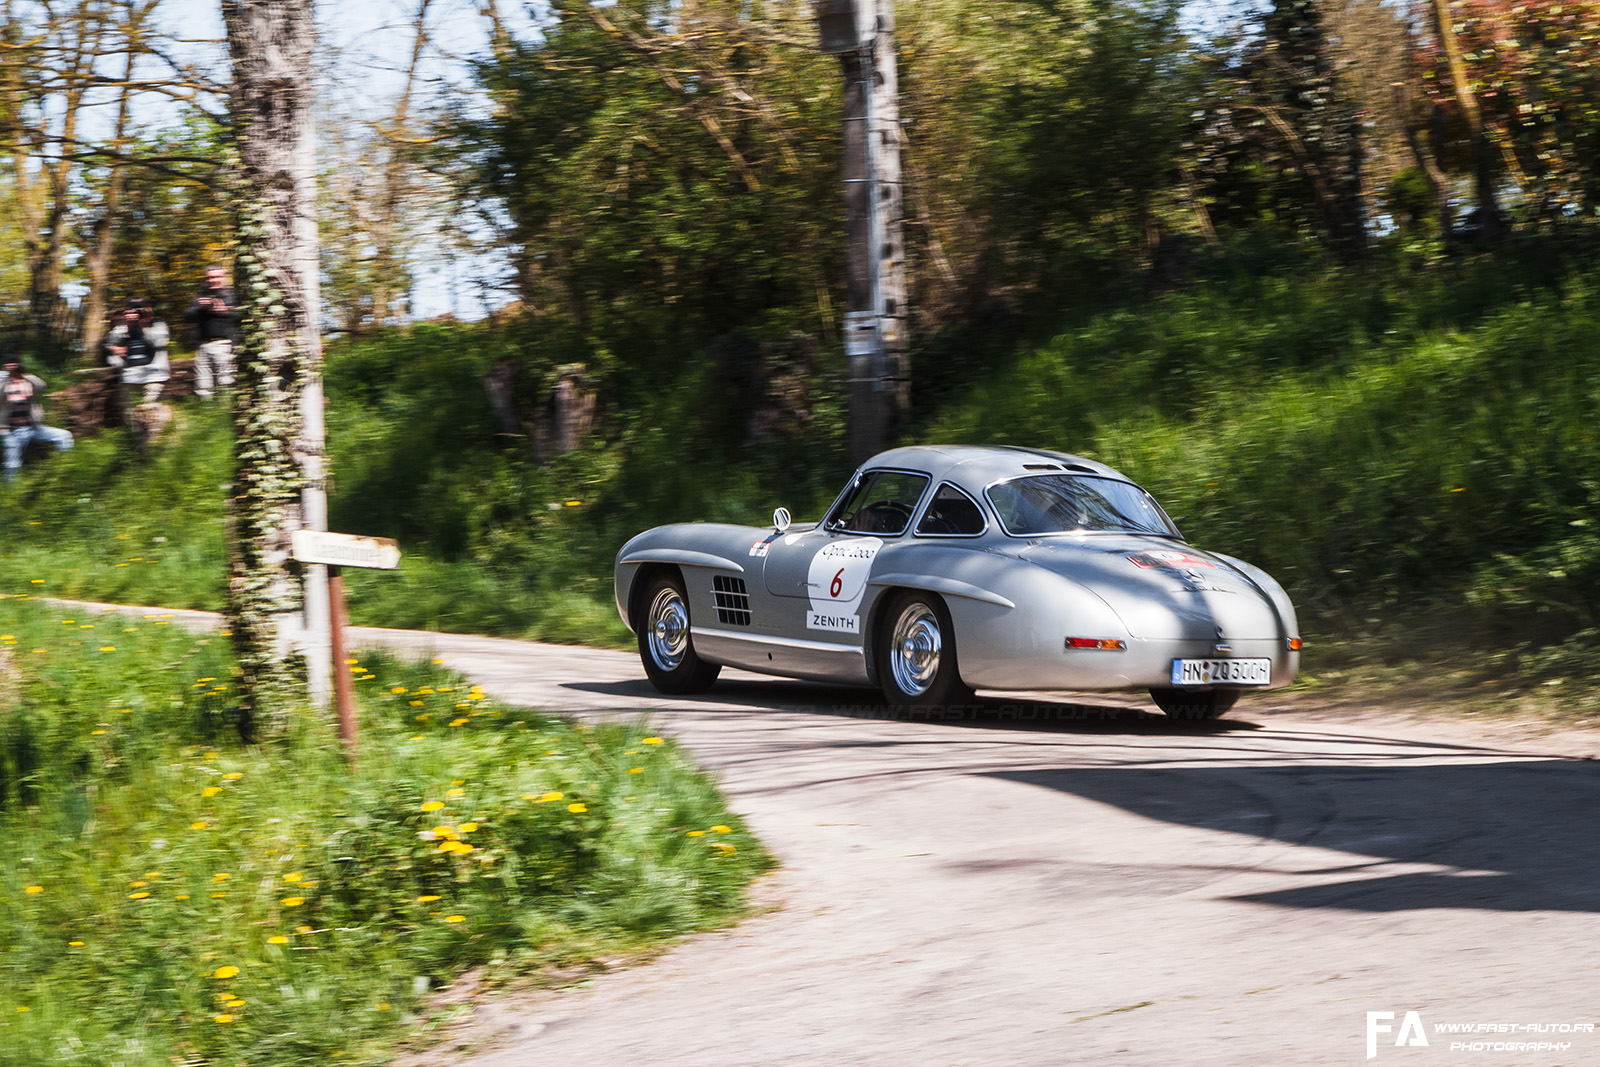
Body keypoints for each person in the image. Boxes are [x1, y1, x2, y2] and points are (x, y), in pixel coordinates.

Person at [1, 355, 73, 482]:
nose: (12, 366)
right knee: (12, 466)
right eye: (9, 364)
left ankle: (65, 472)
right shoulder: (4, 382)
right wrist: (7, 375)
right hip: (12, 432)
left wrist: (23, 375)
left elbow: (41, 386)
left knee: (64, 436)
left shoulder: (27, 381)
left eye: (15, 363)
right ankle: (11, 494)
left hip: (32, 428)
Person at [184, 265, 242, 398]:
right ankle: (208, 412)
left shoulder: (231, 295)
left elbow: (239, 316)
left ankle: (225, 411)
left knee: (225, 382)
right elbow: (187, 316)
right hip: (203, 345)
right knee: (203, 384)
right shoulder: (201, 296)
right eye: (210, 277)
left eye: (216, 277)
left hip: (225, 344)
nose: (213, 280)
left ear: (222, 277)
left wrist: (223, 311)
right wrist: (200, 308)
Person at [104, 297, 172, 403]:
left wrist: (144, 324)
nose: (137, 313)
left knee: (152, 413)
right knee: (130, 416)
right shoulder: (123, 328)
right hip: (130, 377)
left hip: (153, 377)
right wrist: (126, 326)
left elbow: (159, 342)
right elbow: (110, 343)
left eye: (140, 310)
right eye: (133, 309)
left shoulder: (158, 325)